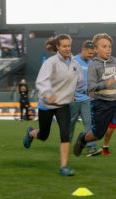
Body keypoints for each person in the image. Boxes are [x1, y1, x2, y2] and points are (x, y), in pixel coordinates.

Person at [23, 34, 82, 176]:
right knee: (44, 135)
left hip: (63, 105)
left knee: (65, 135)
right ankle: (31, 133)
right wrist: (48, 93)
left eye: (69, 45)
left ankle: (64, 167)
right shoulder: (51, 62)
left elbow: (79, 81)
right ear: (58, 47)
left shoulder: (75, 64)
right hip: (47, 104)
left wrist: (80, 92)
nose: (67, 48)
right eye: (64, 46)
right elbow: (41, 81)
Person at [73, 33, 116, 157]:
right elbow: (92, 88)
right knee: (98, 135)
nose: (108, 49)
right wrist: (106, 84)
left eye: (109, 46)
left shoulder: (115, 61)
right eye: (104, 46)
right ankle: (82, 139)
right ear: (96, 49)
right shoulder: (93, 65)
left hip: (115, 101)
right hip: (100, 103)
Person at [70, 40, 102, 157]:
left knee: (90, 123)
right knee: (70, 125)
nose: (91, 56)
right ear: (83, 50)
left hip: (87, 98)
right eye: (89, 53)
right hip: (73, 97)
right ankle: (66, 145)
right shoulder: (73, 61)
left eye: (92, 54)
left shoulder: (92, 63)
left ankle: (91, 148)